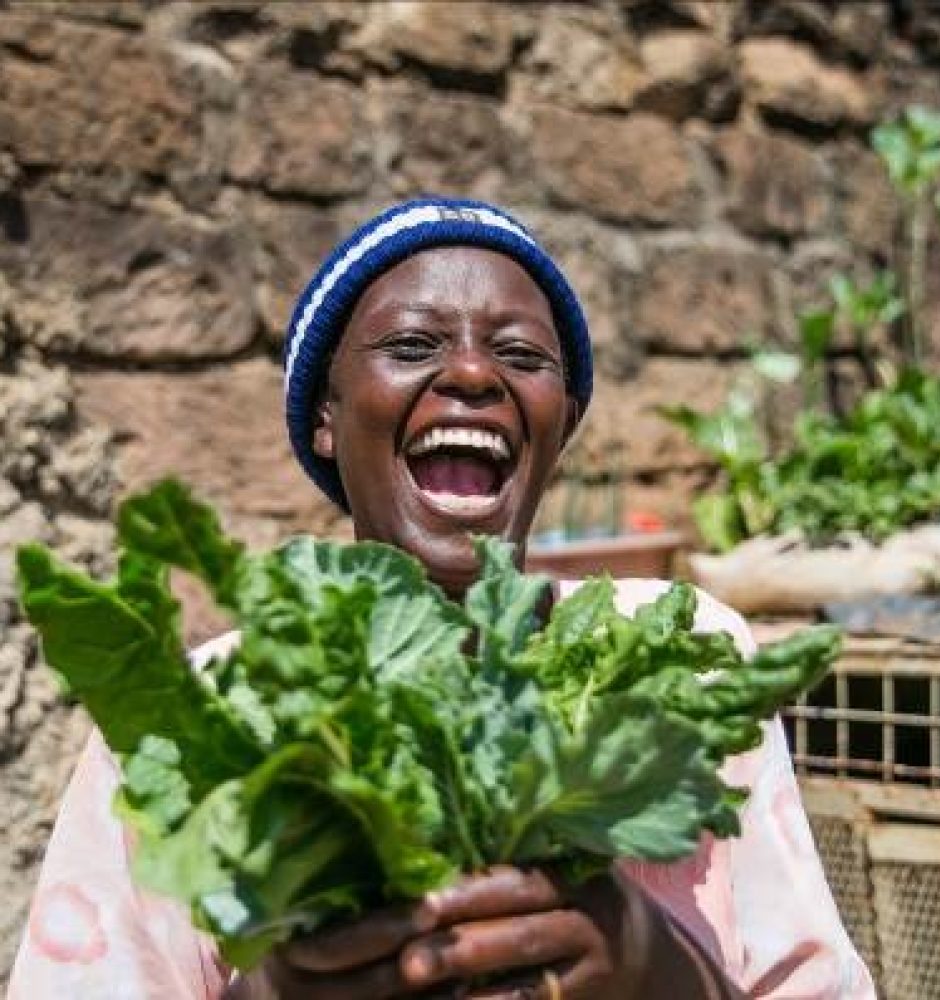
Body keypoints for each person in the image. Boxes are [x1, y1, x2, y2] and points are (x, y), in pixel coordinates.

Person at [9, 198, 875, 999]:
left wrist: (658, 965)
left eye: (523, 356)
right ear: (325, 415)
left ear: (562, 422)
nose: (470, 371)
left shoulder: (681, 653)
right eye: (413, 345)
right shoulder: (191, 726)